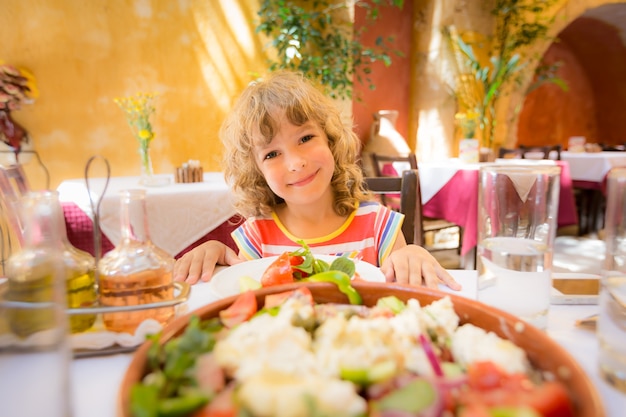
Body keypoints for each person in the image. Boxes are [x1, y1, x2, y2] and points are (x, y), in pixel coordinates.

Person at [174, 71, 460, 291]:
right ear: (257, 171)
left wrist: (411, 253)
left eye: (306, 138)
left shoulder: (379, 226)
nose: (295, 162)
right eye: (272, 153)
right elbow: (247, 301)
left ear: (330, 139)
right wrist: (215, 254)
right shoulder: (257, 236)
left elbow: (401, 288)